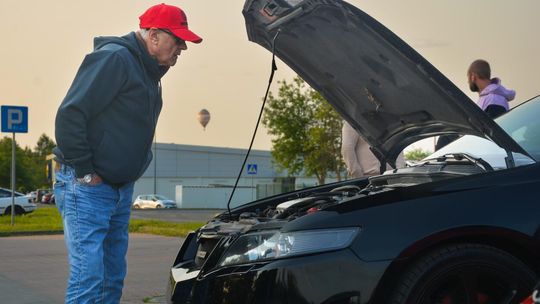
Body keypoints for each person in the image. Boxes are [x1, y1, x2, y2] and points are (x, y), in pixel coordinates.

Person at [52, 4, 202, 303]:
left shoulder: (150, 71)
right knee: (89, 277)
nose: (182, 48)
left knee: (112, 277)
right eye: (178, 40)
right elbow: (70, 115)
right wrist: (85, 171)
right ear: (155, 36)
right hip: (88, 188)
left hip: (118, 189)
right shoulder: (115, 59)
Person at [436, 59, 515, 150]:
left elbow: (493, 135)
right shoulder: (489, 97)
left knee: (446, 136)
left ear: (473, 76)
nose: (468, 82)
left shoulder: (495, 100)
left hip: (487, 150)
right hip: (479, 146)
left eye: (468, 78)